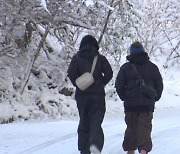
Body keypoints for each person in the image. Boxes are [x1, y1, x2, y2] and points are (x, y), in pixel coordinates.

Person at [67, 35, 113, 154]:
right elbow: (109, 73)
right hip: (97, 96)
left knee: (84, 121)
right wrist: (100, 83)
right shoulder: (100, 59)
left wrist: (79, 84)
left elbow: (71, 73)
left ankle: (84, 148)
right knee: (96, 121)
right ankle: (95, 145)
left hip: (82, 97)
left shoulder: (76, 58)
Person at [115, 41, 163, 154]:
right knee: (145, 129)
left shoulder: (125, 68)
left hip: (131, 105)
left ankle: (131, 151)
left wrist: (125, 97)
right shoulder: (152, 67)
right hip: (147, 105)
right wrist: (154, 98)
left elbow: (119, 85)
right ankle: (143, 151)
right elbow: (159, 85)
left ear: (131, 53)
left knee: (131, 129)